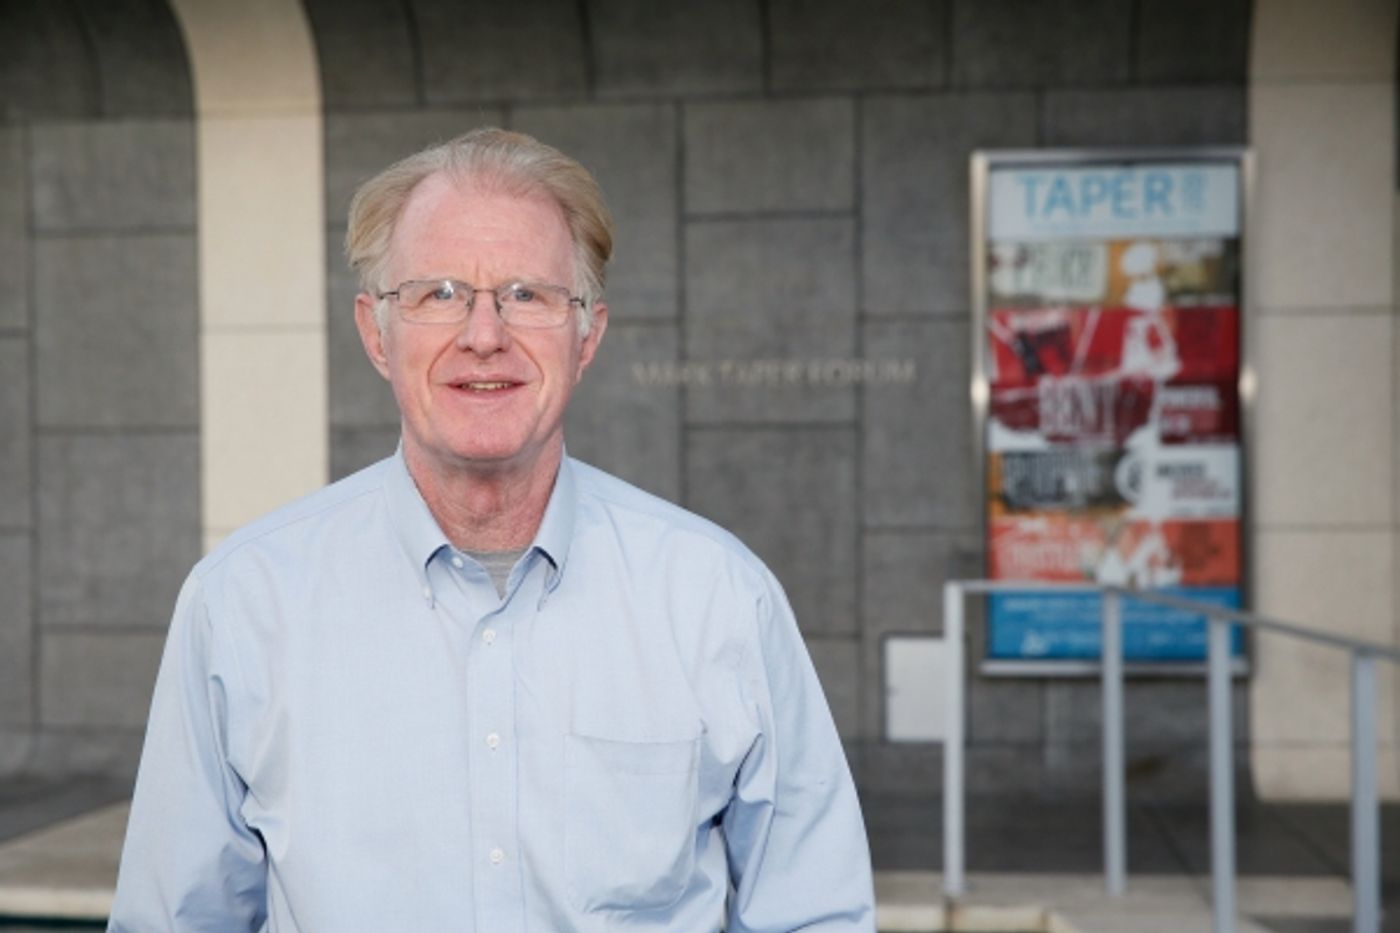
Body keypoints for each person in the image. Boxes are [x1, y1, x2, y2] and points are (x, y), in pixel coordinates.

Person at [109, 127, 875, 931]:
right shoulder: (241, 605)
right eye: (438, 293)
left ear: (588, 336)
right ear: (377, 332)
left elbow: (814, 912)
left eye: (527, 294)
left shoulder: (719, 598)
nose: (484, 334)